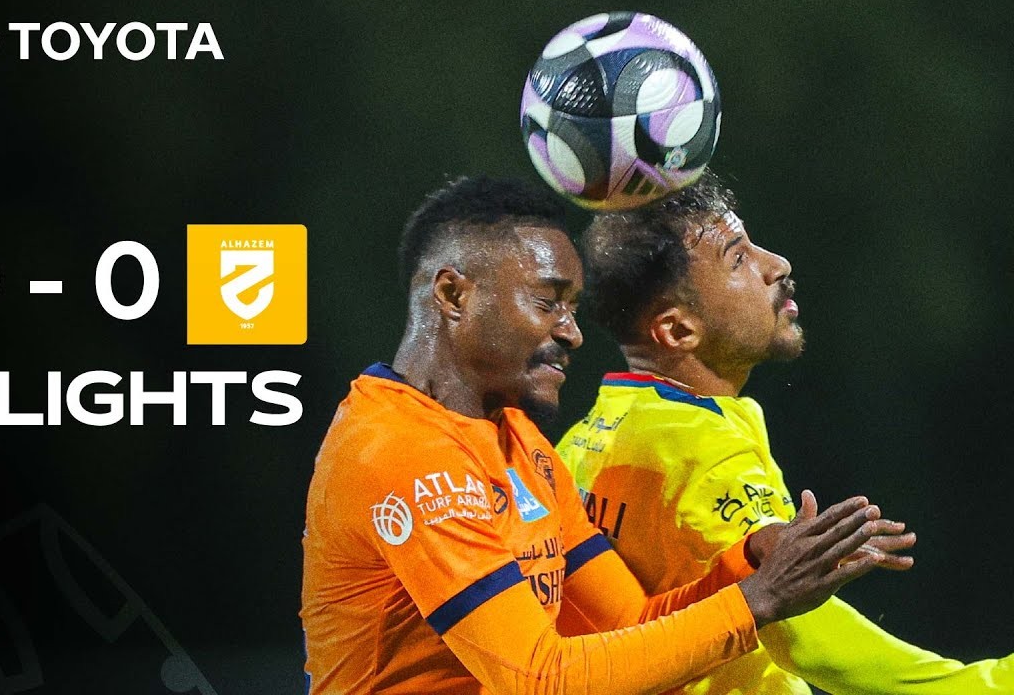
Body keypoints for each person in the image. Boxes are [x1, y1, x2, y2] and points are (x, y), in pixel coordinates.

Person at [300, 175, 904, 694]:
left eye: (572, 307)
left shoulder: (517, 439)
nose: (572, 332)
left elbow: (629, 622)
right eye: (547, 303)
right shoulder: (401, 450)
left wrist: (748, 564)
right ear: (454, 294)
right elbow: (543, 680)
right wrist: (758, 600)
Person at [556, 169, 1013, 694]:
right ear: (678, 329)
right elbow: (806, 638)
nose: (776, 265)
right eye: (738, 258)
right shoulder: (696, 448)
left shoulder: (589, 436)